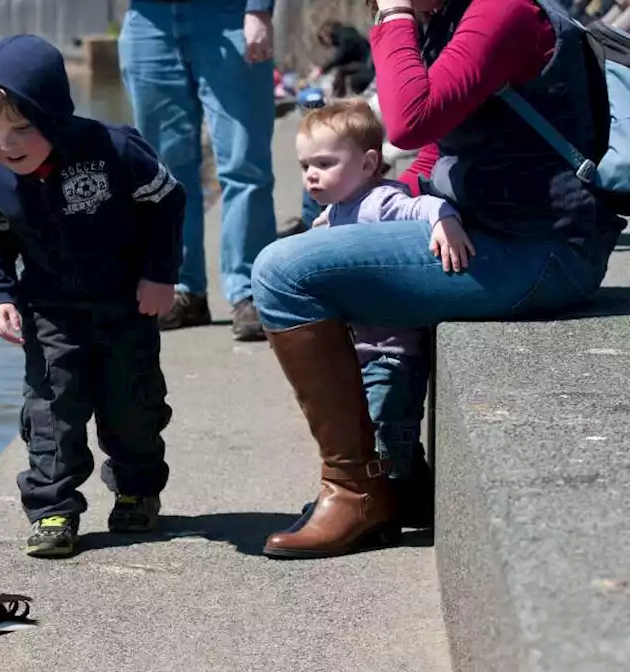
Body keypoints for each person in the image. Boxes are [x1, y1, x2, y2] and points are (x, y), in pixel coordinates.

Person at [251, 0, 624, 559]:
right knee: (323, 252)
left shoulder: (503, 12)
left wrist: (395, 19)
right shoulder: (451, 14)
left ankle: (355, 492)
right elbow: (439, 142)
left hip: (540, 250)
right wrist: (404, 200)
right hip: (496, 230)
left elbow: (408, 120)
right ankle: (399, 474)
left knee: (283, 273)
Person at [0, 34, 186, 559]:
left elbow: (168, 201)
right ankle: (53, 508)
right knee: (52, 406)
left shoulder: (113, 149)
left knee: (132, 403)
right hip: (49, 310)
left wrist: (159, 274)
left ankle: (136, 488)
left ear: (54, 115)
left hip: (125, 302)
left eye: (20, 128)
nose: (5, 144)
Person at [299, 98, 473, 531]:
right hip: (361, 348)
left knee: (384, 430)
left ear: (368, 163)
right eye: (305, 166)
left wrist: (444, 221)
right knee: (388, 433)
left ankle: (382, 504)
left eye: (324, 162)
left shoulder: (380, 201)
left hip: (392, 352)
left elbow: (422, 205)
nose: (311, 175)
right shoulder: (335, 211)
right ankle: (412, 498)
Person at [117, 0, 277, 341]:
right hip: (149, 20)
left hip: (229, 15)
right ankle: (182, 289)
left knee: (244, 163)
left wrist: (259, 9)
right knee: (162, 172)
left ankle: (249, 291)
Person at [308, 20, 376, 98]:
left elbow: (339, 58)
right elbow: (343, 59)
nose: (327, 44)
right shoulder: (346, 35)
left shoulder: (346, 37)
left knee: (342, 72)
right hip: (367, 63)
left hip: (369, 66)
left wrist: (321, 69)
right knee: (341, 71)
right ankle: (337, 96)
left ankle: (338, 97)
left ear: (326, 35)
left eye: (324, 40)